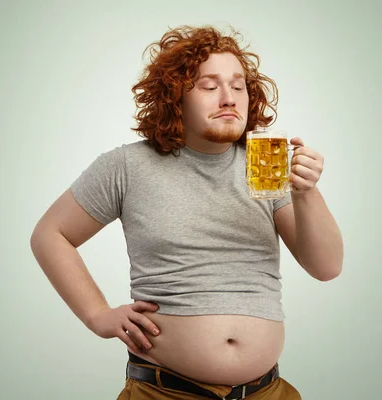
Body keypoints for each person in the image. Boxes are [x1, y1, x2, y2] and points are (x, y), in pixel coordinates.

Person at [30, 24, 344, 399]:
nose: (228, 98)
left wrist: (306, 192)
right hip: (165, 393)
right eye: (210, 87)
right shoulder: (127, 166)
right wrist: (97, 315)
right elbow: (50, 235)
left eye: (239, 86)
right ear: (175, 97)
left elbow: (326, 267)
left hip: (267, 391)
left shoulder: (265, 166)